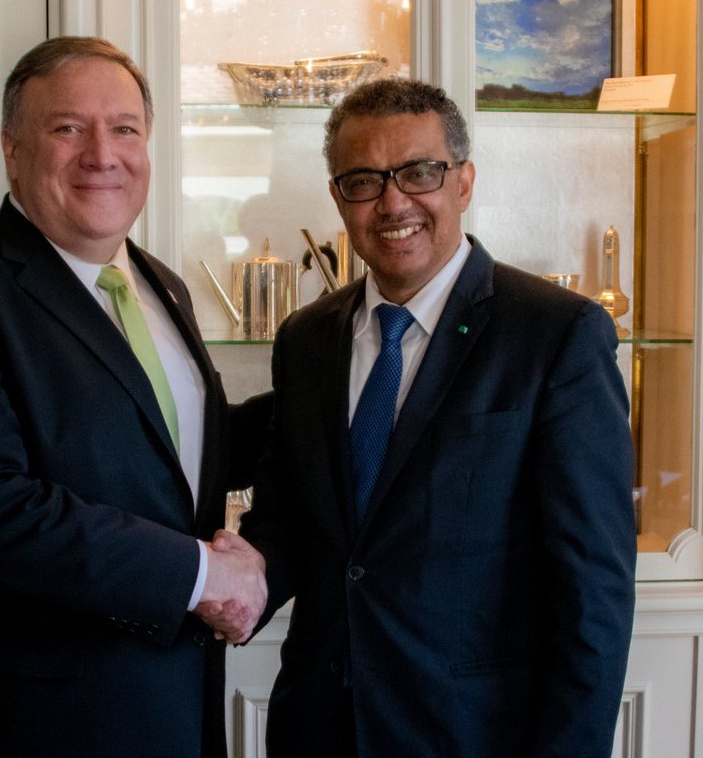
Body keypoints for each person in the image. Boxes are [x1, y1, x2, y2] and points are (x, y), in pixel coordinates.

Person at [0, 36, 266, 758]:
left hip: (173, 706)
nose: (102, 154)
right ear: (12, 148)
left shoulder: (162, 285)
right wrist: (203, 574)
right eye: (68, 128)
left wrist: (333, 391)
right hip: (23, 724)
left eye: (125, 129)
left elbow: (169, 450)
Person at [241, 77, 637, 757]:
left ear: (463, 182)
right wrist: (232, 581)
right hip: (319, 728)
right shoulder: (306, 340)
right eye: (364, 181)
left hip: (474, 733)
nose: (394, 202)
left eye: (420, 172)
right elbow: (288, 523)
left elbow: (593, 589)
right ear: (338, 197)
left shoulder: (556, 335)